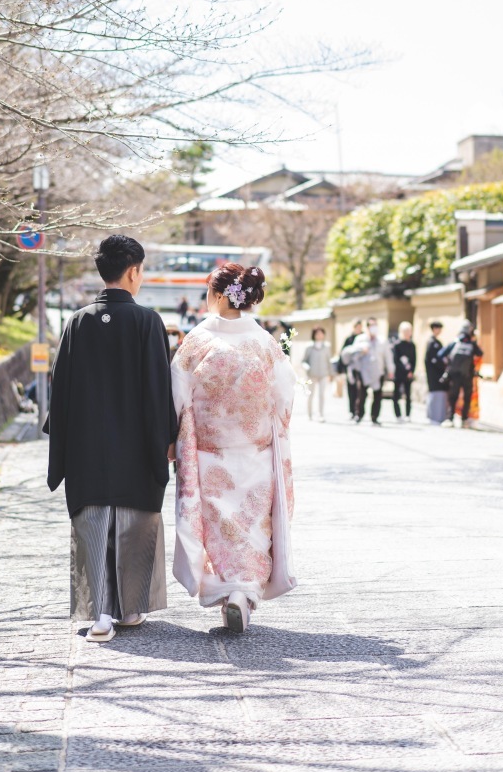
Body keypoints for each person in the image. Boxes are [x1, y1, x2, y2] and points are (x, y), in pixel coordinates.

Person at [45, 235, 178, 644]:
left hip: (87, 447)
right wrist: (166, 438)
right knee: (134, 523)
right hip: (136, 446)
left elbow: (60, 391)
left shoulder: (78, 322)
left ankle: (100, 614)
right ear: (133, 271)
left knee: (93, 524)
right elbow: (158, 390)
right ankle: (131, 608)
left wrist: (61, 444)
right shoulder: (148, 321)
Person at [171, 262, 296, 633]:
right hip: (256, 454)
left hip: (210, 456)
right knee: (252, 525)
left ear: (219, 294)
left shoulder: (198, 341)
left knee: (219, 528)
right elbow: (284, 397)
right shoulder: (264, 342)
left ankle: (230, 592)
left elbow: (177, 396)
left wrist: (175, 435)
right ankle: (243, 593)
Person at [341, 318, 394, 425]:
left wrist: (391, 370)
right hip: (363, 371)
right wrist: (361, 351)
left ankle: (374, 417)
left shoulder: (382, 340)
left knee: (377, 396)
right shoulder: (360, 339)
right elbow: (352, 355)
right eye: (371, 325)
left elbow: (388, 356)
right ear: (367, 327)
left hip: (378, 371)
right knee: (361, 395)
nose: (373, 328)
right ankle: (359, 415)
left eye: (375, 325)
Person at [440, 319, 484, 428]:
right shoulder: (471, 344)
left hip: (454, 375)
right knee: (467, 398)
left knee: (453, 396)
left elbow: (441, 354)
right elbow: (480, 353)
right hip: (467, 375)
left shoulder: (455, 342)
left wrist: (448, 364)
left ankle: (450, 418)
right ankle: (464, 419)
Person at [302, 327, 332, 422]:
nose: (319, 335)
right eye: (317, 333)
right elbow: (304, 361)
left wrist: (331, 373)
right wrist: (307, 367)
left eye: (321, 333)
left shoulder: (327, 347)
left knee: (321, 395)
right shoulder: (309, 347)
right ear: (314, 335)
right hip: (311, 374)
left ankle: (321, 414)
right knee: (311, 395)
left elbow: (329, 361)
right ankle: (309, 414)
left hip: (323, 374)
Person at [425, 320, 448, 425]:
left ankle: (438, 417)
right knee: (434, 394)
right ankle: (433, 417)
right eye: (438, 328)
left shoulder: (438, 343)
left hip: (439, 372)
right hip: (433, 373)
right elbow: (431, 359)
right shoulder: (431, 343)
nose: (439, 330)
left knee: (439, 394)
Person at [392, 321, 416, 420]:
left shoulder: (412, 345)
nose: (407, 333)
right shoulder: (397, 344)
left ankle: (407, 414)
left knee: (408, 395)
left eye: (409, 331)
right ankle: (398, 415)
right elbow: (395, 360)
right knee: (396, 395)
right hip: (398, 373)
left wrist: (411, 371)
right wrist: (403, 368)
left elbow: (414, 359)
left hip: (408, 374)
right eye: (405, 331)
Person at [340, 321, 364, 419]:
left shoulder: (364, 339)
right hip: (350, 368)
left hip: (361, 368)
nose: (359, 329)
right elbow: (343, 354)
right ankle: (352, 411)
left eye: (360, 327)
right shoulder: (349, 339)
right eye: (357, 327)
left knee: (360, 391)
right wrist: (341, 369)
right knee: (351, 390)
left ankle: (359, 411)